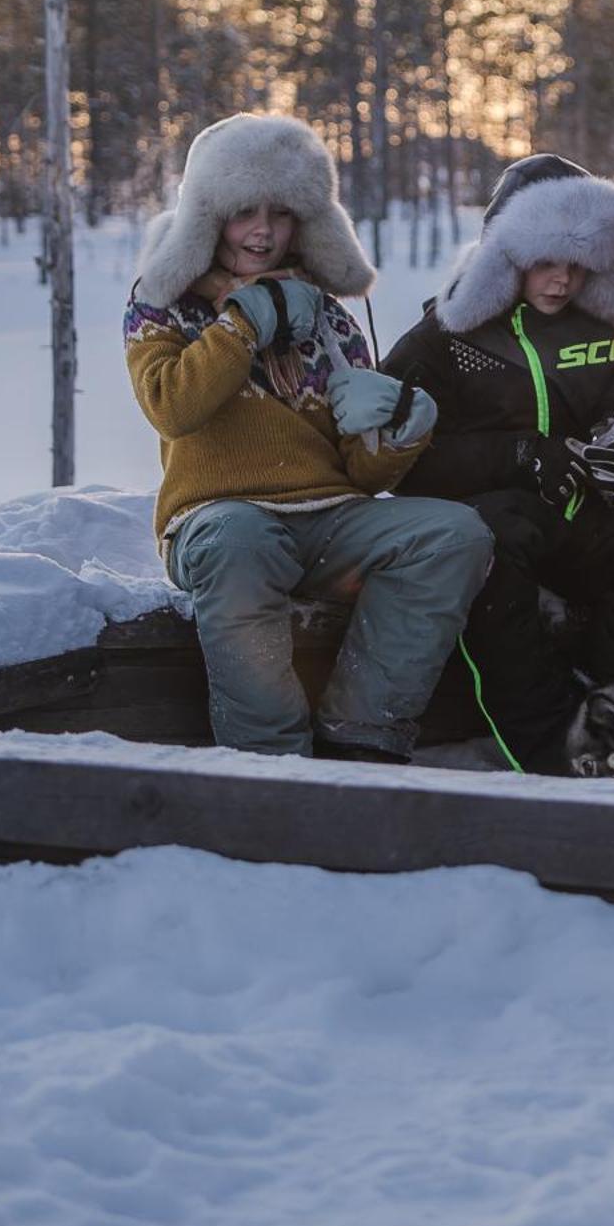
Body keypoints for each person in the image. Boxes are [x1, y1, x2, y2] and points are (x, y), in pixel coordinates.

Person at [123, 112, 492, 762]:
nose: (263, 231)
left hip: (326, 521)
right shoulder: (163, 302)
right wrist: (242, 326)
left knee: (451, 533)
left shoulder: (330, 319)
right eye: (244, 212)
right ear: (210, 216)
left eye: (281, 213)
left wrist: (402, 431)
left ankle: (363, 736)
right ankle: (269, 761)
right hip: (217, 518)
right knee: (242, 538)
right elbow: (170, 407)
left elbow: (361, 476)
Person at [383, 154, 614, 771]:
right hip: (489, 522)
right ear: (506, 253)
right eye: (544, 261)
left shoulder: (604, 328)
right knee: (494, 537)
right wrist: (518, 454)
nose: (561, 281)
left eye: (575, 264)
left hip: (580, 515)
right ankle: (546, 748)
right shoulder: (449, 332)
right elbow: (396, 454)